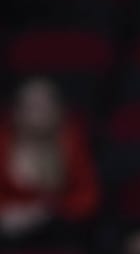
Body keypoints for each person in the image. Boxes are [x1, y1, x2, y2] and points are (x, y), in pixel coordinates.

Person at [0, 79, 100, 239]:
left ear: (58, 109)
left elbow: (88, 198)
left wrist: (44, 211)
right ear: (16, 111)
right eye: (31, 106)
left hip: (59, 230)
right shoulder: (3, 141)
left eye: (45, 105)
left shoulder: (72, 140)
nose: (39, 113)